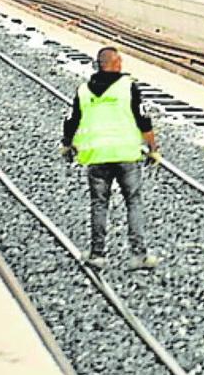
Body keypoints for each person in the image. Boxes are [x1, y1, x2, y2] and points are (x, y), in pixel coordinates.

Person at [62, 47, 160, 270]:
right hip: (126, 155)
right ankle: (139, 255)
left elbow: (71, 121)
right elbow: (143, 120)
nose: (122, 64)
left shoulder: (84, 91)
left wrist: (67, 145)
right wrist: (153, 148)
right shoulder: (128, 87)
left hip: (97, 156)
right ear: (113, 64)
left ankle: (97, 254)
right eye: (119, 60)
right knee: (133, 202)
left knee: (99, 204)